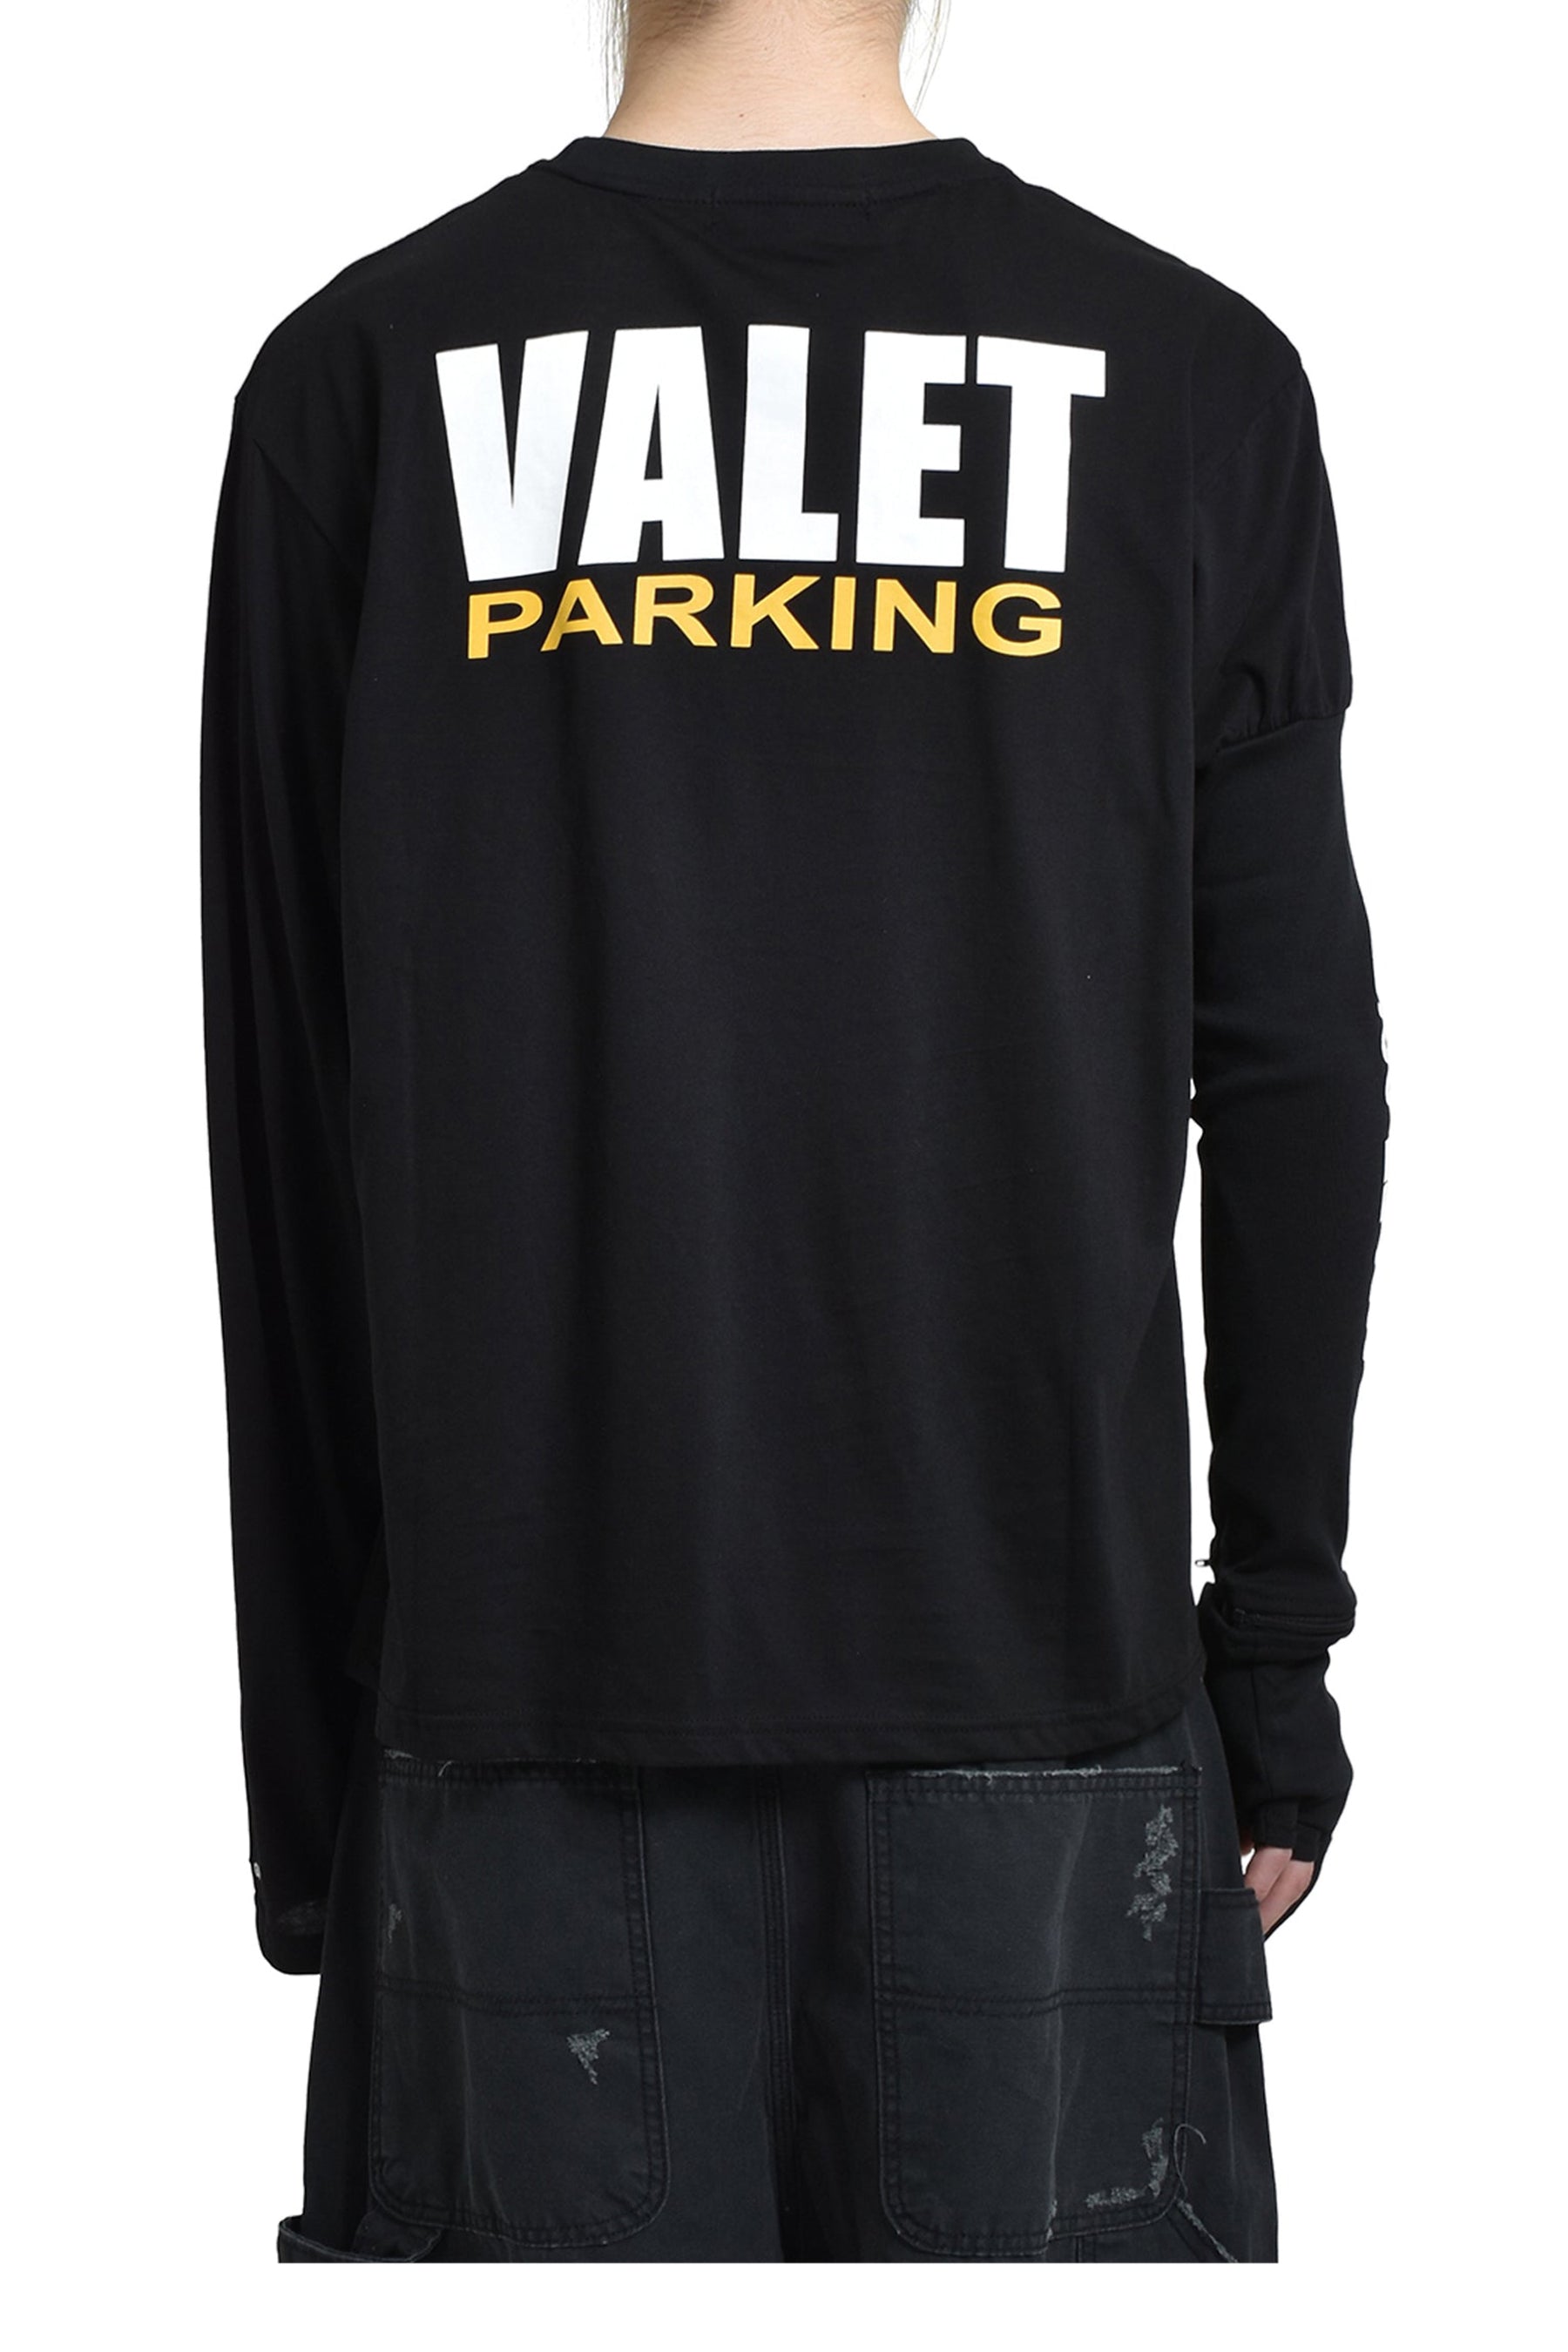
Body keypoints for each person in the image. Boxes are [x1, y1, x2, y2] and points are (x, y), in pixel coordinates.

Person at [199, 0, 1388, 2264]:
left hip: (515, 1709)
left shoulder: (368, 374)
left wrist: (318, 1790)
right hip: (1045, 1688)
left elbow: (290, 1115)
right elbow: (1297, 1074)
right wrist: (1274, 1657)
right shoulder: (1188, 372)